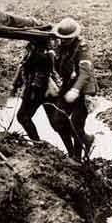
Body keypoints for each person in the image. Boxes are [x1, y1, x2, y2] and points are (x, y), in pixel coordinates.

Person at [44, 17, 97, 162]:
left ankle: (79, 156)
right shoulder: (60, 47)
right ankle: (72, 151)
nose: (63, 41)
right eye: (62, 38)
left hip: (83, 89)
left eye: (67, 39)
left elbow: (85, 72)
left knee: (76, 124)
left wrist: (75, 90)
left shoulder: (82, 48)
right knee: (57, 121)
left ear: (74, 36)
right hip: (67, 87)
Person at [11, 37, 60, 141]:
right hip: (43, 91)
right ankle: (37, 142)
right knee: (56, 124)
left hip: (39, 91)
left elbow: (39, 78)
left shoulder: (40, 56)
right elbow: (24, 69)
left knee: (23, 117)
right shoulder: (39, 53)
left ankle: (37, 142)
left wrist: (28, 92)